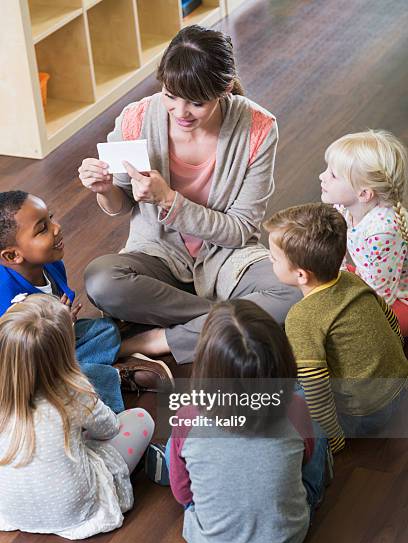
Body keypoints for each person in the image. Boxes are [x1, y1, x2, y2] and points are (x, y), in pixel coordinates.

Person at [78, 25, 300, 367]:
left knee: (293, 290)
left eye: (196, 103)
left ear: (224, 89)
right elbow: (120, 204)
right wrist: (105, 190)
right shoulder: (136, 118)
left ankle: (157, 339)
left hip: (228, 257)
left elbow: (240, 230)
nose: (180, 113)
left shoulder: (257, 127)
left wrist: (169, 200)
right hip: (158, 255)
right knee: (102, 280)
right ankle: (234, 322)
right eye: (170, 96)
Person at [164, 299, 330, 543]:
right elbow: (306, 458)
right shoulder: (295, 408)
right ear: (282, 361)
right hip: (288, 538)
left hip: (209, 541)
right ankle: (312, 493)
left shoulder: (189, 414)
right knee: (315, 429)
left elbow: (183, 496)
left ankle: (178, 465)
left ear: (206, 367)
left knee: (177, 440)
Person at [0, 191, 174, 411]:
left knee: (104, 329)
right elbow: (18, 362)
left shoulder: (51, 264)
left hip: (57, 345)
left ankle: (109, 358)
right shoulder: (6, 300)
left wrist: (63, 324)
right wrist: (57, 328)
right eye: (42, 228)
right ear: (12, 256)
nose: (56, 227)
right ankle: (114, 376)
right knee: (58, 381)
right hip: (21, 370)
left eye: (50, 217)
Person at [0, 294, 154, 539]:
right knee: (141, 419)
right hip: (74, 511)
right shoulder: (73, 392)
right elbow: (109, 429)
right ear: (66, 351)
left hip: (11, 510)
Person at [264, 203, 408, 454]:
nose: (269, 259)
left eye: (274, 258)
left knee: (284, 389)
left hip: (363, 415)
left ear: (301, 275)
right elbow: (390, 322)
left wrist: (333, 438)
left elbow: (316, 388)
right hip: (399, 388)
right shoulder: (352, 279)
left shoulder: (301, 318)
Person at [320, 129, 408, 334]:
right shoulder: (343, 206)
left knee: (358, 328)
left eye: (333, 175)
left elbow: (382, 296)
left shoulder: (382, 232)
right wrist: (336, 279)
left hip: (397, 297)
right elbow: (337, 248)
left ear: (364, 193)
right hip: (371, 276)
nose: (322, 176)